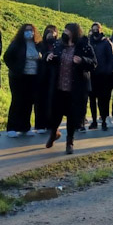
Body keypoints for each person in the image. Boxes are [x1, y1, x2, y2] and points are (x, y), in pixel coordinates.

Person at [44, 23, 96, 154]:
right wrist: (48, 57)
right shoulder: (59, 45)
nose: (65, 32)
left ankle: (69, 142)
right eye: (64, 30)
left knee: (72, 116)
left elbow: (94, 62)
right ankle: (53, 133)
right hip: (59, 86)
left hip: (75, 88)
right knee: (56, 114)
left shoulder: (83, 46)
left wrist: (83, 60)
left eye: (68, 31)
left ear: (74, 33)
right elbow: (50, 56)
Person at [3, 23, 42, 137]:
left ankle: (25, 127)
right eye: (26, 30)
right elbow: (7, 57)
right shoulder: (17, 44)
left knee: (29, 102)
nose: (29, 32)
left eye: (31, 30)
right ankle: (12, 127)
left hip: (33, 76)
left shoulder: (37, 44)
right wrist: (16, 69)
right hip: (19, 77)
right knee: (17, 101)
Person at [87, 23, 113, 130]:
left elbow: (111, 59)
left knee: (103, 100)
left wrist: (107, 72)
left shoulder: (106, 43)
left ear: (100, 30)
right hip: (92, 75)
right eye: (93, 29)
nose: (95, 31)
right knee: (92, 99)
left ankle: (104, 121)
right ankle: (94, 121)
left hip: (103, 76)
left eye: (97, 29)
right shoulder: (89, 42)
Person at [33, 25, 58, 134]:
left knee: (52, 102)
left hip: (53, 77)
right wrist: (47, 55)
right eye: (48, 33)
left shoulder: (58, 45)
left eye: (53, 33)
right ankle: (39, 125)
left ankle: (50, 124)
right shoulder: (40, 45)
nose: (50, 35)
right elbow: (40, 55)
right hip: (41, 76)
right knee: (40, 102)